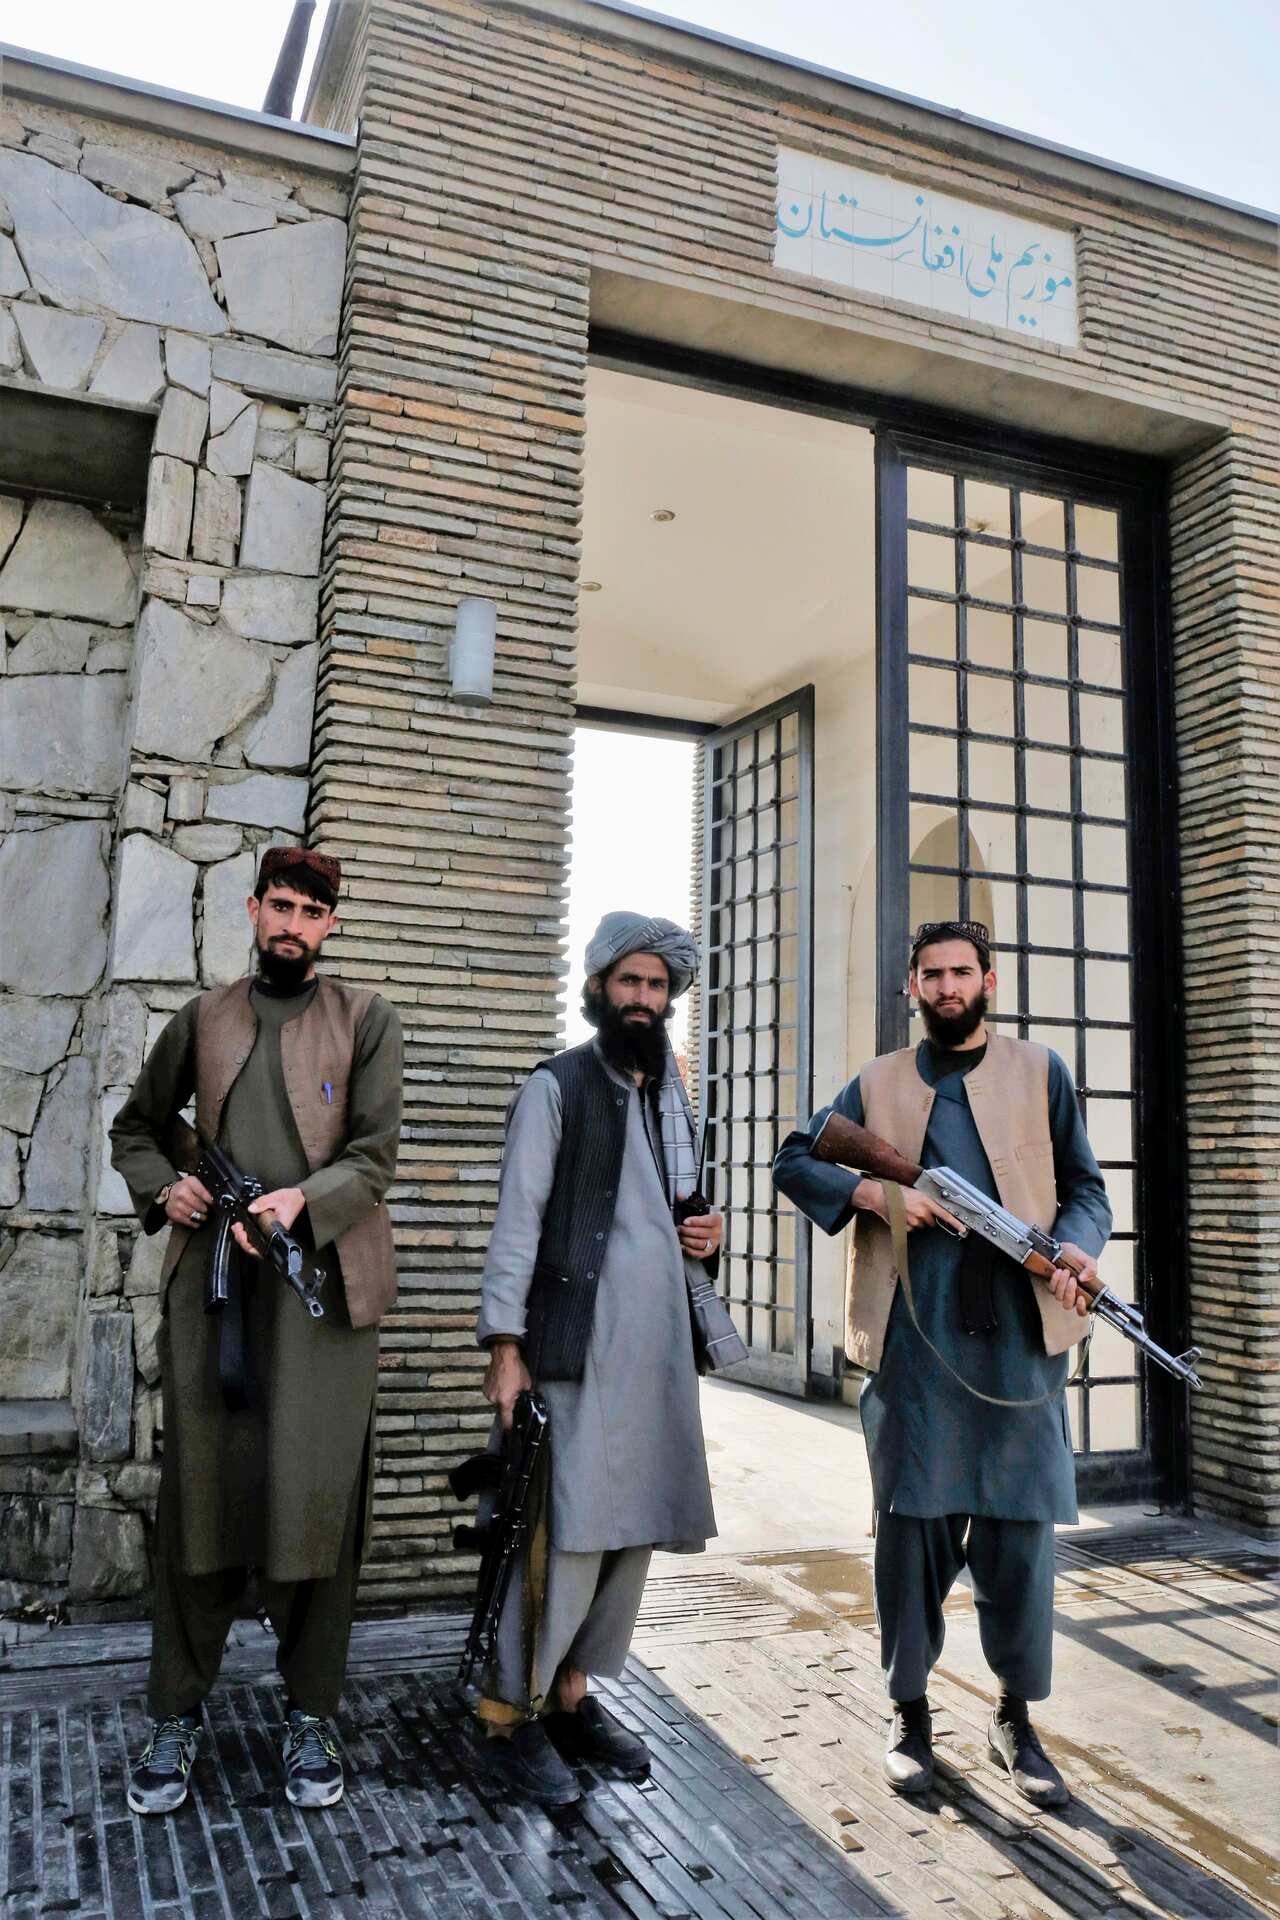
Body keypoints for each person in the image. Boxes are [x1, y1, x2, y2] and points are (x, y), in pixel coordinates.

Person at [773, 920, 1111, 1807]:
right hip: (915, 1348)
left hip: (1020, 1346)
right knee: (911, 1536)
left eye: (963, 972)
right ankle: (909, 1713)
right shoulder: (875, 1083)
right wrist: (880, 1191)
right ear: (914, 986)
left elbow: (1086, 1189)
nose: (948, 986)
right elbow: (794, 1159)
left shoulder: (1042, 1072)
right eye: (933, 974)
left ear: (989, 981)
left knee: (1020, 1541)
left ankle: (1014, 1720)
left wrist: (1078, 1248)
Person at [109, 847, 403, 1816]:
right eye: (280, 905)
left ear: (331, 924)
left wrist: (296, 1201)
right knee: (201, 1499)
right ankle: (176, 1715)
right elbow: (135, 1128)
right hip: (216, 1295)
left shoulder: (366, 1019)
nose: (292, 924)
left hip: (322, 1297)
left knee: (315, 1502)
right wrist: (170, 1187)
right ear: (252, 908)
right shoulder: (204, 1018)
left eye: (311, 912)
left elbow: (374, 1156)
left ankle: (310, 1714)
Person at [473, 911, 721, 1806]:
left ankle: (571, 1699)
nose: (643, 998)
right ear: (598, 989)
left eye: (657, 985)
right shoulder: (557, 1087)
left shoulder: (669, 1097)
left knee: (629, 1538)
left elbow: (680, 1213)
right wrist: (506, 1349)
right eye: (629, 982)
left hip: (656, 1358)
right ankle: (508, 1717)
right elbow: (517, 1225)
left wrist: (709, 1232)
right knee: (564, 1535)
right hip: (574, 1352)